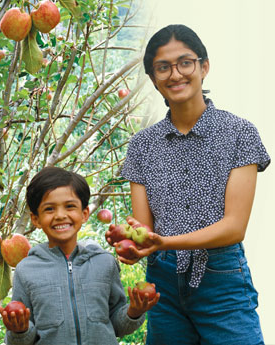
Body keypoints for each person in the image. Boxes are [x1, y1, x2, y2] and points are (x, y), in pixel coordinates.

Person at [107, 24, 270, 345]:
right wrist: (130, 240)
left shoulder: (239, 133)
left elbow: (235, 228)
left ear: (203, 66)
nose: (175, 74)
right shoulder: (141, 146)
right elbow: (143, 227)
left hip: (221, 278)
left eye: (185, 62)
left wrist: (164, 243)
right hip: (163, 284)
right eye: (162, 67)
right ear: (153, 79)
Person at [0, 167, 159, 345]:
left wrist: (134, 312)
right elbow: (23, 338)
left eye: (69, 206)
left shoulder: (104, 262)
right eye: (49, 209)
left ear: (84, 214)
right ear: (36, 219)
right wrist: (19, 330)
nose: (60, 215)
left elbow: (117, 325)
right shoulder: (26, 270)